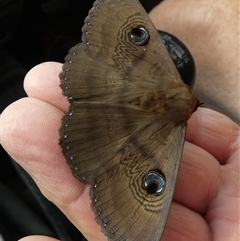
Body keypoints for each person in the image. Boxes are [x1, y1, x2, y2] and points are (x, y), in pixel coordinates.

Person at [0, 0, 239, 240]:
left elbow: (124, 13)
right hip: (108, 131)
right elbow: (117, 6)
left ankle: (55, 43)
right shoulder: (174, 137)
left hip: (103, 81)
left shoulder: (168, 73)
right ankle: (56, 43)